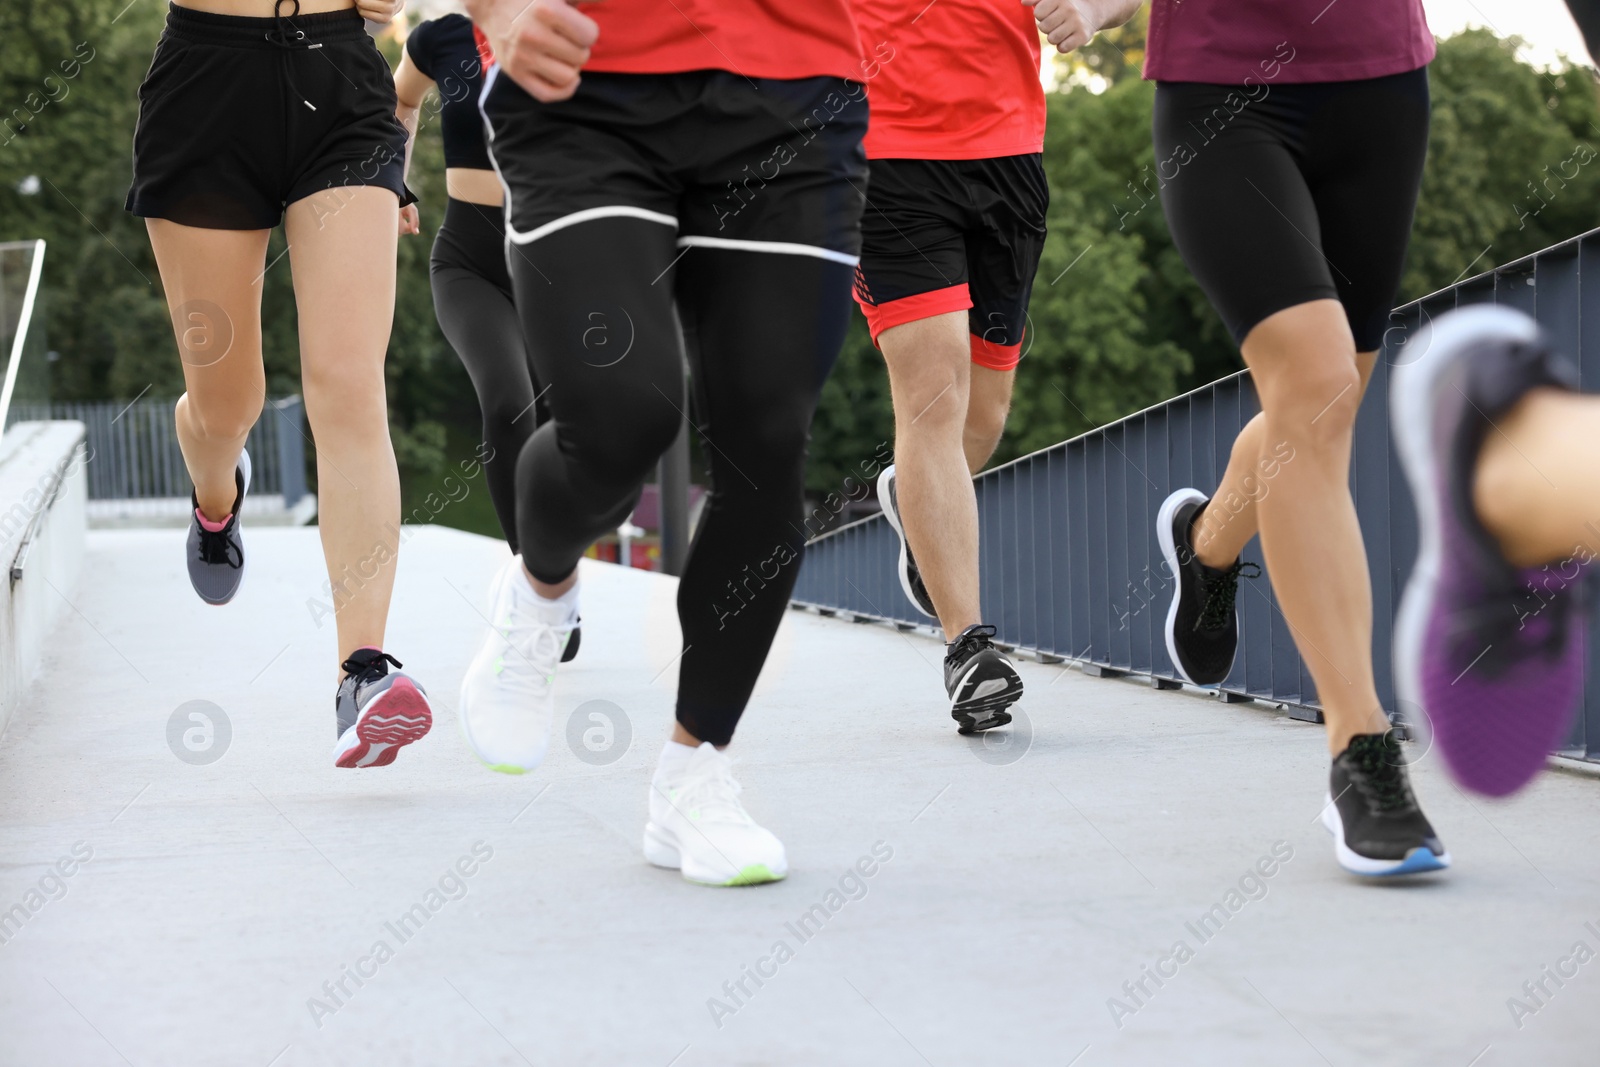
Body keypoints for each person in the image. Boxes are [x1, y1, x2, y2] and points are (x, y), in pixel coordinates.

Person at [461, 0, 867, 886]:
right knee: (622, 418)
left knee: (769, 438)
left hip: (797, 86)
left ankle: (695, 773)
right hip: (582, 83)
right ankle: (539, 590)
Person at [1146, 0, 1449, 875]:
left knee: (1323, 404)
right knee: (1312, 387)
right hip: (1223, 93)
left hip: (1380, 86)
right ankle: (1362, 755)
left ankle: (1205, 546)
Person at [126, 0, 433, 768]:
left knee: (350, 383)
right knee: (230, 402)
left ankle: (362, 674)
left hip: (341, 85)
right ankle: (215, 492)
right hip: (206, 87)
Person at [852, 0, 1137, 735]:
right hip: (881, 155)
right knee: (935, 396)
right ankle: (969, 648)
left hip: (1007, 154)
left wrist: (1095, 10)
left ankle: (912, 502)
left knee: (984, 416)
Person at [391, 10, 581, 663]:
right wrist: (395, 180)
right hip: (468, 261)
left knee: (570, 429)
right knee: (507, 402)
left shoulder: (567, 27)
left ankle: (556, 568)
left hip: (558, 262)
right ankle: (538, 589)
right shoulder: (439, 38)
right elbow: (399, 99)